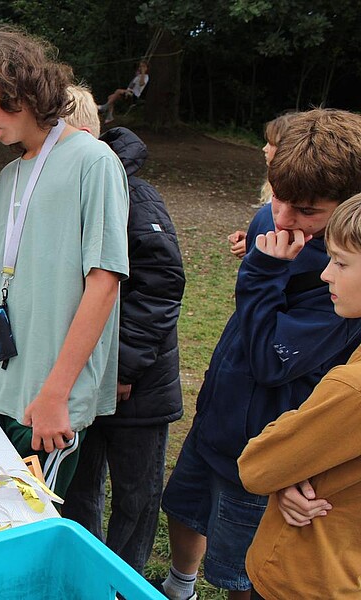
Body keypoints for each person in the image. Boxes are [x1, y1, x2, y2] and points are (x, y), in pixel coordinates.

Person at [156, 108, 361, 600]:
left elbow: (273, 358)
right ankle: (178, 587)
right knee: (184, 510)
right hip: (220, 419)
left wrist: (263, 270)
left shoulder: (345, 288)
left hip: (261, 447)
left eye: (307, 210)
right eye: (276, 196)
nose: (281, 217)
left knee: (239, 569)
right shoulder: (280, 220)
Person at [0, 26, 129, 498]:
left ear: (17, 88)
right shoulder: (13, 173)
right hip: (2, 388)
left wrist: (57, 394)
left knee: (25, 523)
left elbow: (104, 285)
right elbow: (0, 282)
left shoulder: (92, 161)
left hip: (47, 403)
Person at [62, 85, 185, 577]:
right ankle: (89, 573)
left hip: (138, 388)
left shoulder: (135, 196)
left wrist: (124, 366)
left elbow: (160, 285)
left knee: (135, 493)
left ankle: (127, 579)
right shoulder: (67, 191)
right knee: (80, 483)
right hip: (85, 378)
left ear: (91, 137)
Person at [237, 193, 361, 600]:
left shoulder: (352, 388)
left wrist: (287, 469)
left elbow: (259, 465)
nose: (326, 275)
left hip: (306, 580)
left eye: (341, 263)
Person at [228, 112, 298, 259]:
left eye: (271, 144)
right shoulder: (274, 185)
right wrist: (253, 237)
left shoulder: (294, 193)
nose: (264, 148)